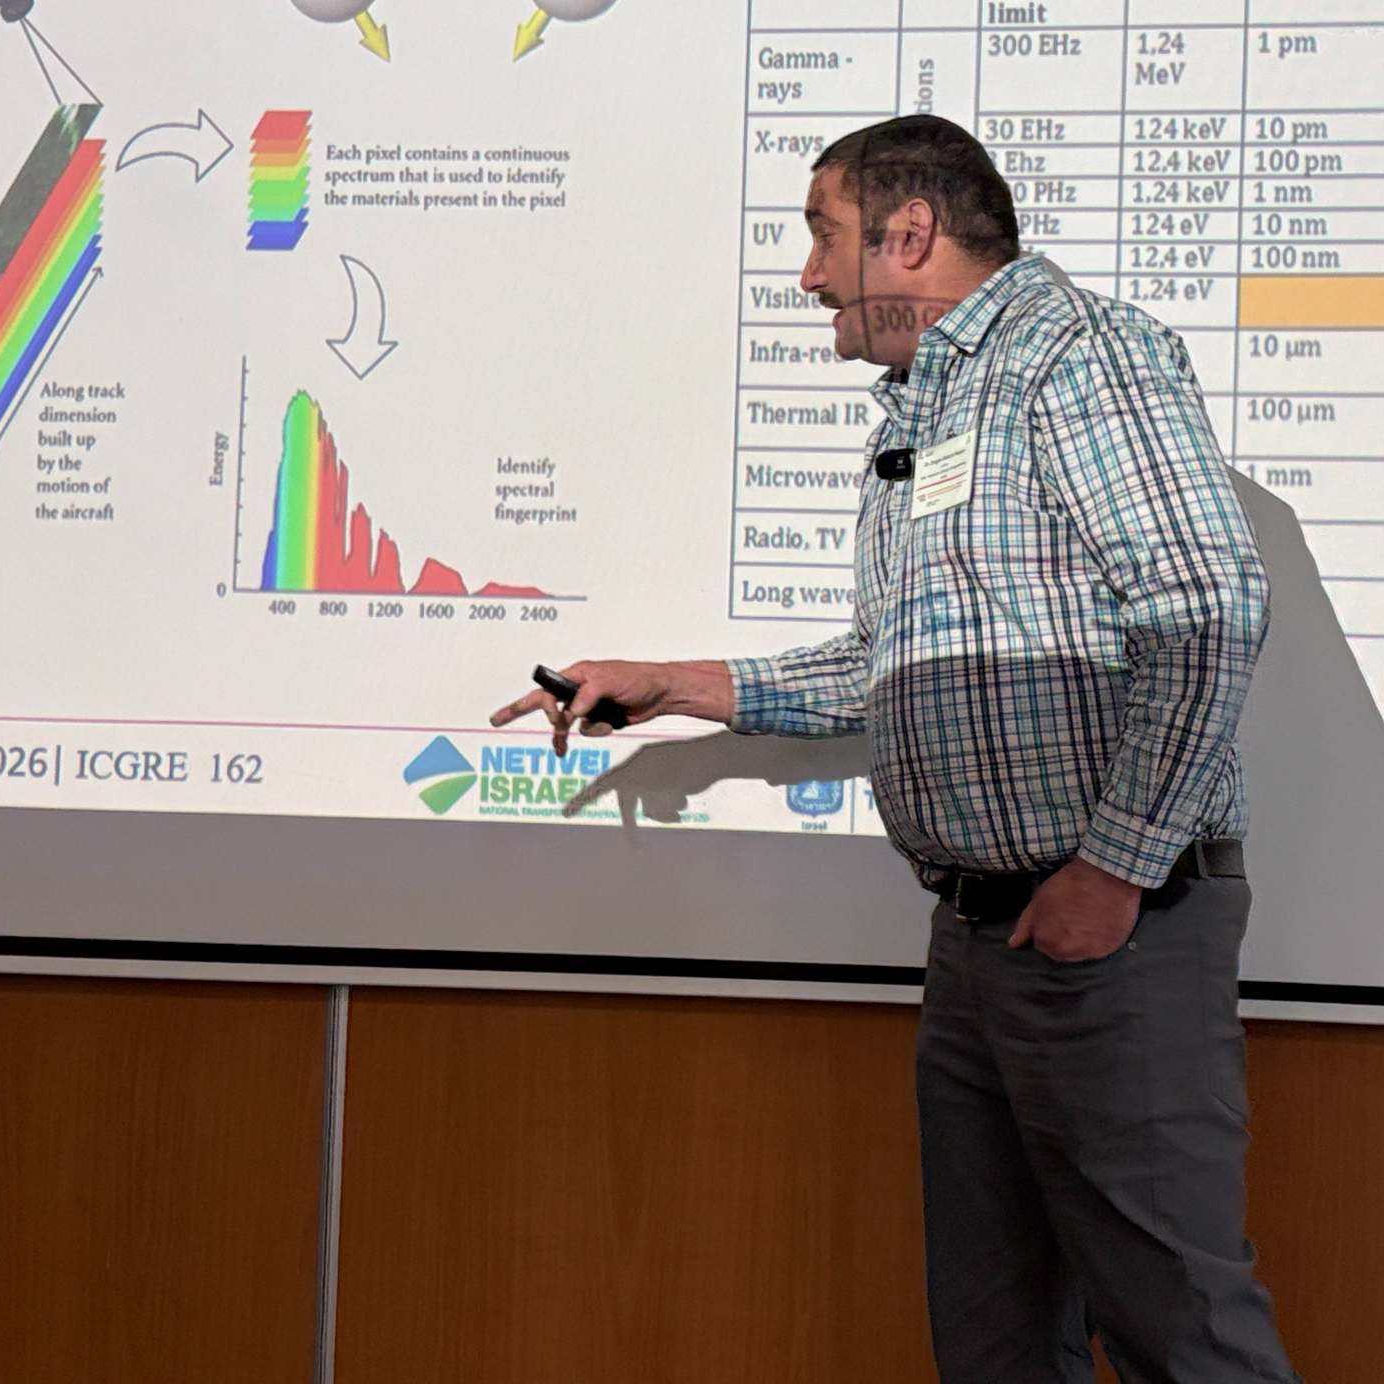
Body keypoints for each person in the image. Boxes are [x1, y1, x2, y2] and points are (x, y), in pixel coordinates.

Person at [491, 114, 1301, 1383]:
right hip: (979, 940)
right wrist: (675, 685)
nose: (808, 275)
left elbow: (1209, 607)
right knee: (992, 1338)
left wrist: (1114, 870)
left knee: (1180, 1336)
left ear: (909, 233)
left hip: (1111, 934)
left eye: (824, 235)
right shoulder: (928, 407)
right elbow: (889, 660)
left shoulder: (1075, 353)